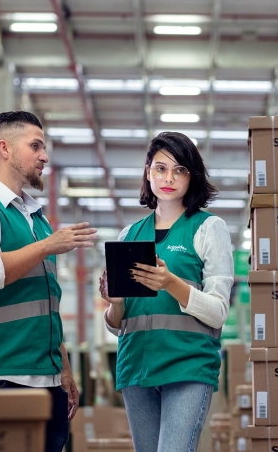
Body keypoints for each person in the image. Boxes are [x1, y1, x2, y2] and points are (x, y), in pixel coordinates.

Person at [0, 110, 97, 452]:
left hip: (46, 380)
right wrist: (47, 246)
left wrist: (65, 370)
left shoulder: (35, 219)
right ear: (5, 149)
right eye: (36, 146)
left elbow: (45, 305)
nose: (44, 156)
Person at [99, 132, 234, 452]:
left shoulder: (208, 228)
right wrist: (115, 304)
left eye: (179, 170)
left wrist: (170, 282)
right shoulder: (129, 234)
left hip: (186, 366)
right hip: (136, 366)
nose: (169, 178)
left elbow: (218, 312)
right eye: (160, 168)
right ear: (148, 172)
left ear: (192, 176)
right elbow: (116, 324)